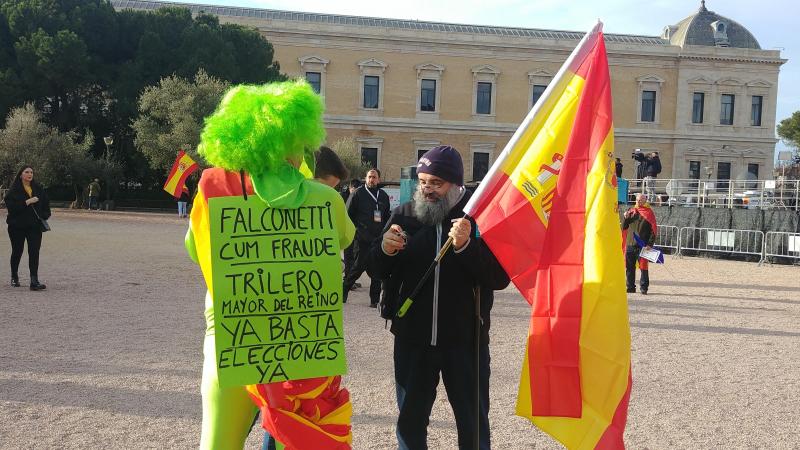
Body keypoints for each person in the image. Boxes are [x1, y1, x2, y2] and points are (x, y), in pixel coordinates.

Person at [185, 81, 355, 450]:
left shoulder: (212, 188)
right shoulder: (326, 198)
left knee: (217, 442)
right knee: (291, 440)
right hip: (300, 343)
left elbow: (195, 251)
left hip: (232, 335)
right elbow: (344, 240)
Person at [369, 145, 509, 450]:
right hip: (412, 340)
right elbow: (376, 269)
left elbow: (499, 278)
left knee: (473, 425)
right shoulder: (404, 215)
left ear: (455, 185)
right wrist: (385, 250)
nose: (427, 190)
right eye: (423, 182)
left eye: (436, 183)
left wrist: (465, 247)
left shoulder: (478, 219)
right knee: (410, 421)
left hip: (466, 342)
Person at [343, 168, 391, 307]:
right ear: (366, 178)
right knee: (357, 268)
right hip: (362, 239)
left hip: (377, 240)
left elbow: (387, 216)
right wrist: (355, 233)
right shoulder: (358, 193)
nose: (372, 179)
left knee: (376, 270)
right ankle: (343, 290)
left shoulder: (383, 196)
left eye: (374, 177)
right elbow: (348, 215)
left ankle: (374, 300)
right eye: (370, 177)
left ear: (379, 179)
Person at [4, 165, 50, 290]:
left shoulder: (38, 188)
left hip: (34, 227)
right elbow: (12, 209)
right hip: (16, 227)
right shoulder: (13, 191)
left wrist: (44, 215)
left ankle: (34, 281)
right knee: (17, 251)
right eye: (27, 172)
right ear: (21, 174)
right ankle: (14, 277)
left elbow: (46, 205)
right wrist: (27, 202)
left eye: (31, 172)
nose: (30, 174)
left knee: (34, 252)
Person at [622, 193, 657, 295]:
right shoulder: (631, 211)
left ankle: (644, 288)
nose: (639, 202)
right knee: (629, 267)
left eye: (641, 200)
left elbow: (654, 230)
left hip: (643, 245)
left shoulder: (649, 213)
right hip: (630, 244)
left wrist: (650, 244)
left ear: (645, 200)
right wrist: (626, 218)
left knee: (643, 267)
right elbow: (624, 227)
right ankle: (630, 287)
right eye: (637, 200)